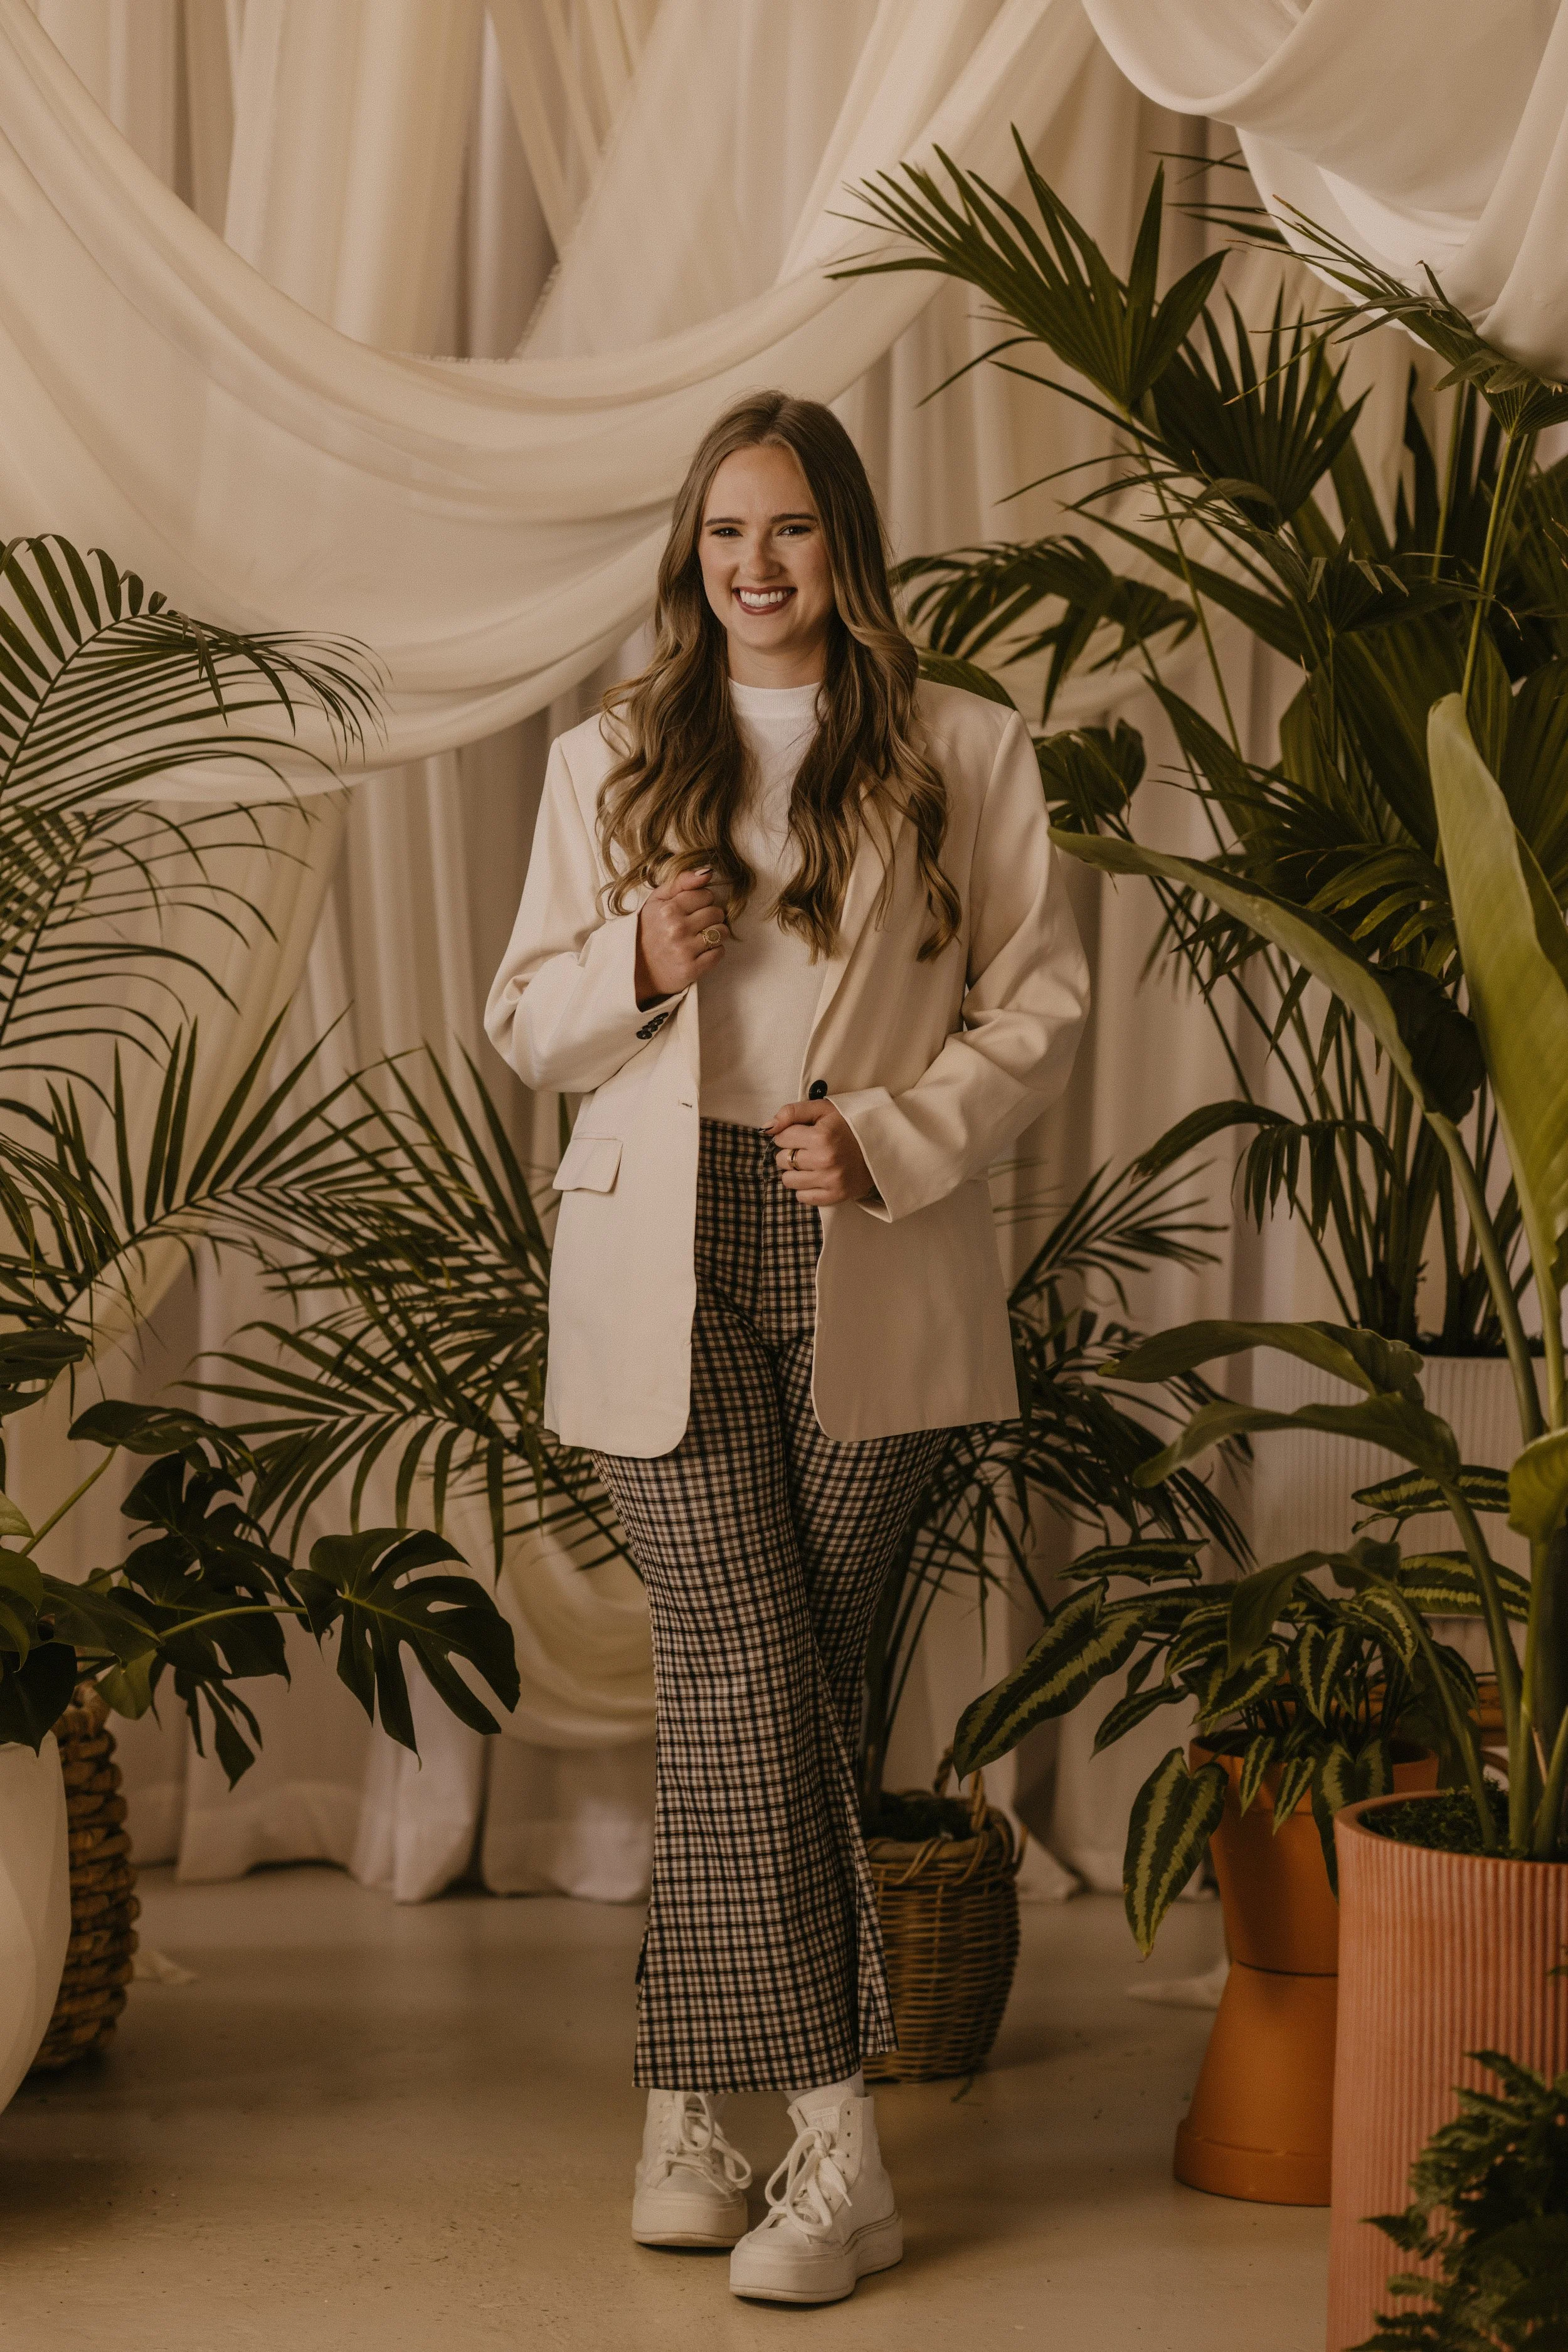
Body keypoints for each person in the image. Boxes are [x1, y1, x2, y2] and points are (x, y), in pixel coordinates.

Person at [485, 390, 1088, 2307]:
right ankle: (840, 2144)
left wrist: (891, 1135)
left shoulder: (961, 750)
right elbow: (523, 1018)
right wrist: (635, 964)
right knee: (750, 1652)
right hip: (654, 1249)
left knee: (776, 1678)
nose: (757, 564)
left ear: (845, 546)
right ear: (694, 553)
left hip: (866, 1239)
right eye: (726, 532)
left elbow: (1040, 1001)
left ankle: (683, 2108)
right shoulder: (605, 757)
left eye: (792, 528)